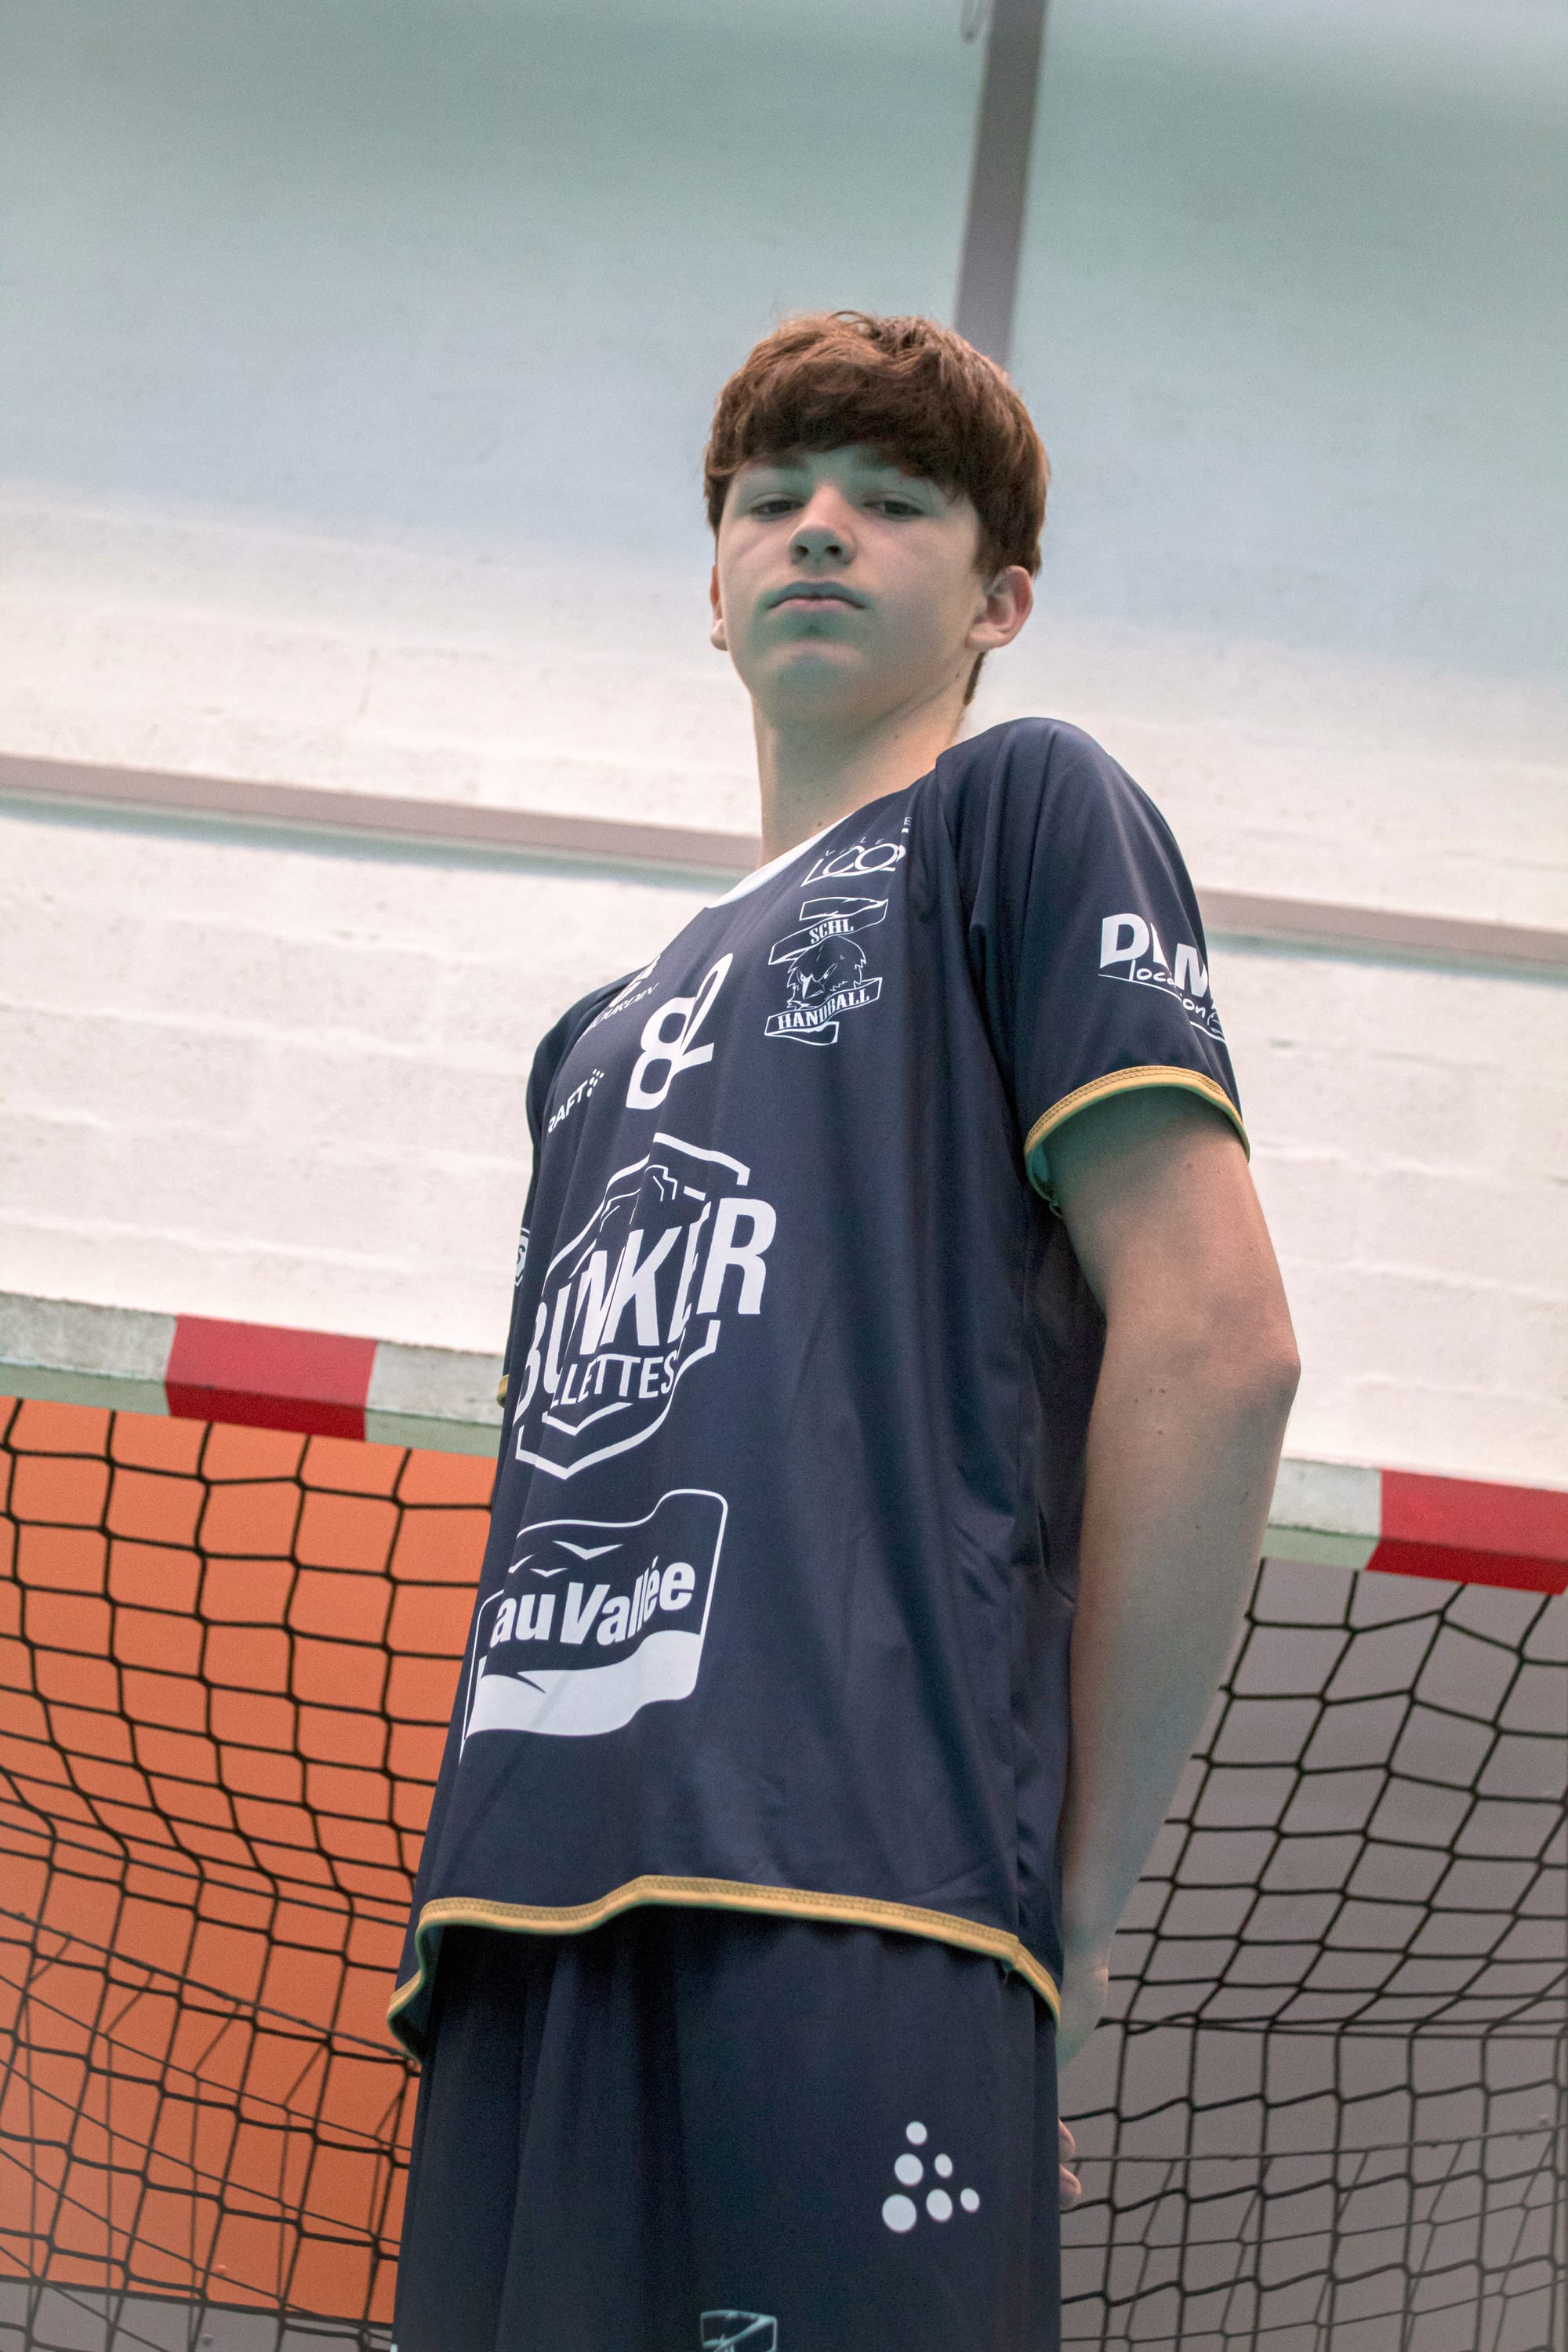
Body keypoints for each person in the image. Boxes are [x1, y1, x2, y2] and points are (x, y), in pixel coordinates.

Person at [389, 311, 1299, 2352]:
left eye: (892, 503)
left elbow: (1222, 1344)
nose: (817, 528)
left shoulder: (1019, 817)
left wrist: (1064, 1909)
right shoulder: (587, 1047)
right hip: (516, 1922)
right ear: (710, 586)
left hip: (862, 1884)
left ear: (1001, 599)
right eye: (769, 499)